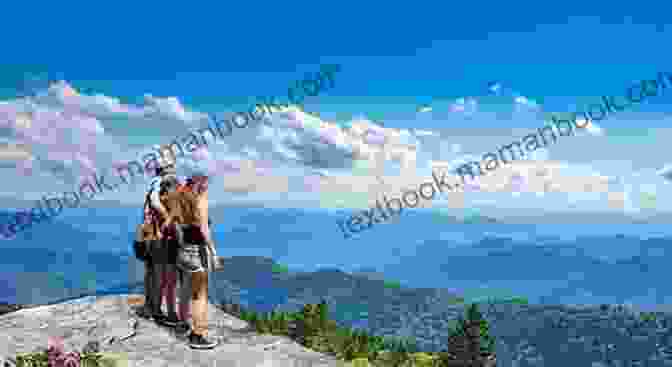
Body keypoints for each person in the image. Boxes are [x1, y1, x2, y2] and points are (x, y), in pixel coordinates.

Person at [162, 174, 219, 349]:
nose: (207, 188)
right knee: (200, 295)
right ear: (200, 185)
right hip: (197, 251)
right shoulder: (200, 200)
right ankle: (197, 335)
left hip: (183, 250)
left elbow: (168, 225)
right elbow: (203, 229)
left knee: (187, 290)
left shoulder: (179, 199)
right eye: (206, 185)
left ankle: (183, 323)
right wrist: (214, 253)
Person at [145, 160, 180, 326]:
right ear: (165, 170)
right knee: (159, 274)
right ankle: (156, 311)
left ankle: (152, 308)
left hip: (154, 235)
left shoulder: (160, 183)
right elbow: (154, 202)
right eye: (171, 168)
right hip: (159, 236)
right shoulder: (159, 182)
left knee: (155, 273)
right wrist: (167, 217)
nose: (174, 170)